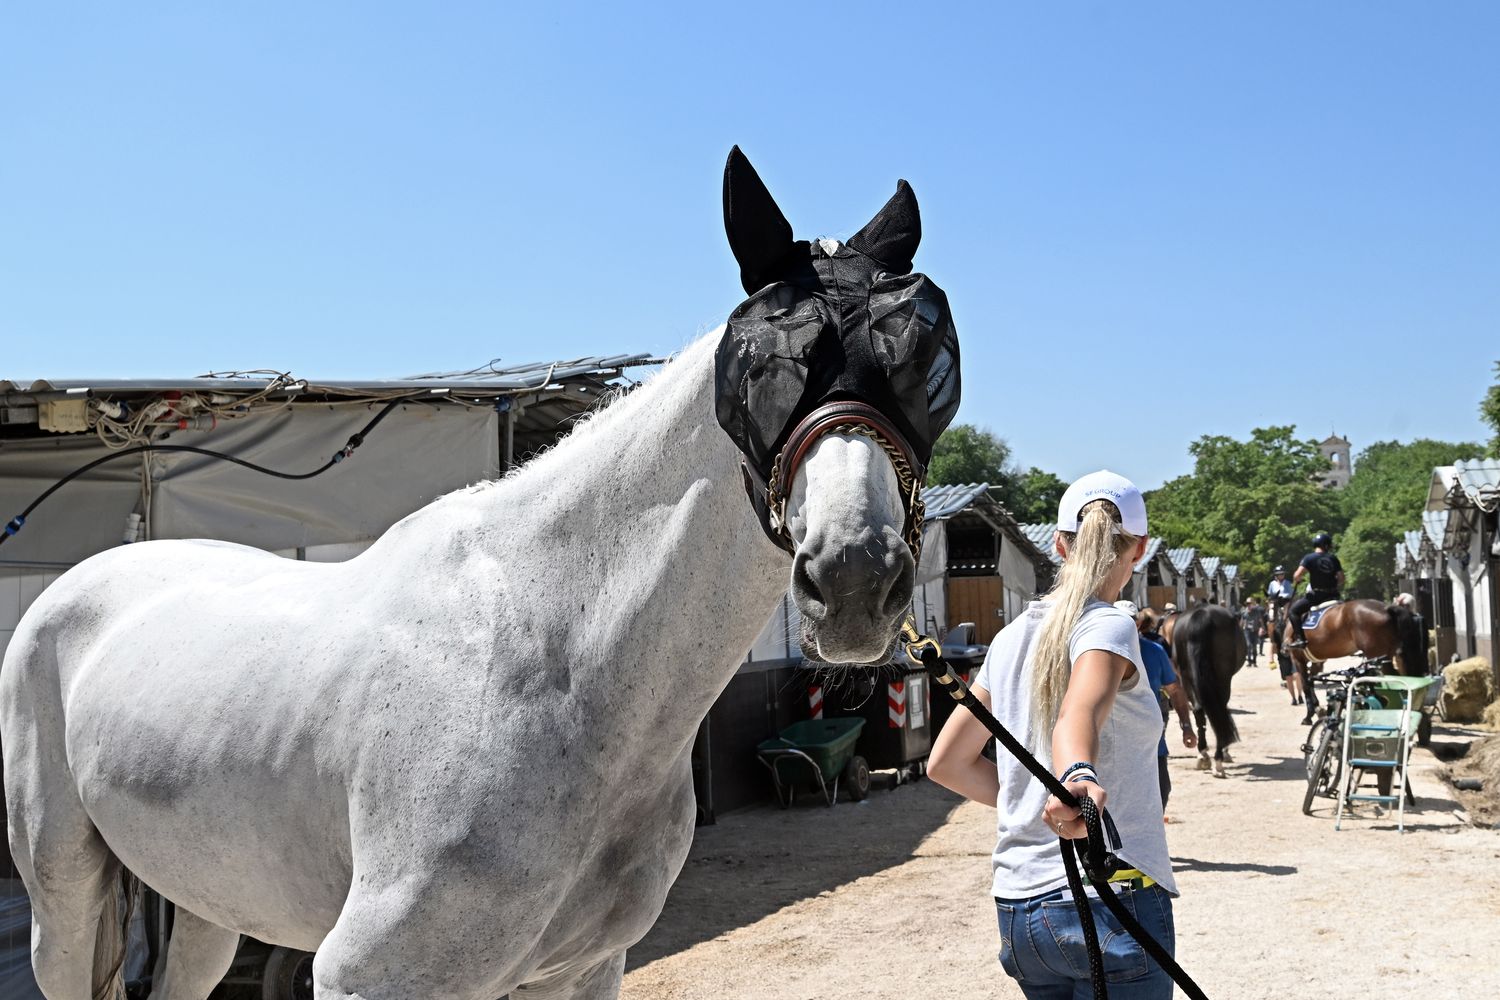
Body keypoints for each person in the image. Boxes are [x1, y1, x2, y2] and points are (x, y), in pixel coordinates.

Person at [929, 471, 1177, 998]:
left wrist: (1030, 800)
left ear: (1060, 545)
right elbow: (1077, 714)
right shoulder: (1109, 625)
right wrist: (1077, 779)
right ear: (1139, 549)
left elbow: (946, 763)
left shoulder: (1008, 638)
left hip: (1019, 908)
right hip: (1109, 897)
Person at [1115, 600, 1197, 814]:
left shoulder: (1155, 651)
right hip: (1115, 747)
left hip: (1152, 746)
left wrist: (1186, 726)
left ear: (1138, 623)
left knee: (1162, 792)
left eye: (1130, 621)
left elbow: (1175, 690)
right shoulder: (1098, 654)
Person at [1286, 532, 1344, 648]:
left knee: (1293, 611)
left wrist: (1299, 579)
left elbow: (1297, 575)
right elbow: (1341, 578)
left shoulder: (1309, 558)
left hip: (1317, 596)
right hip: (1333, 595)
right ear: (1326, 546)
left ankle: (1301, 639)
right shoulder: (1333, 558)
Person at [1239, 597, 1265, 667]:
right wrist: (1239, 631)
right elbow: (1241, 622)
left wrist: (1262, 628)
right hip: (1247, 631)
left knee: (1254, 647)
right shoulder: (1244, 612)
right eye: (1247, 604)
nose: (1248, 605)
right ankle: (1249, 661)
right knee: (1248, 645)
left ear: (1253, 604)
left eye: (1250, 603)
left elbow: (1261, 621)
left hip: (1255, 631)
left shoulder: (1257, 612)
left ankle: (1254, 661)